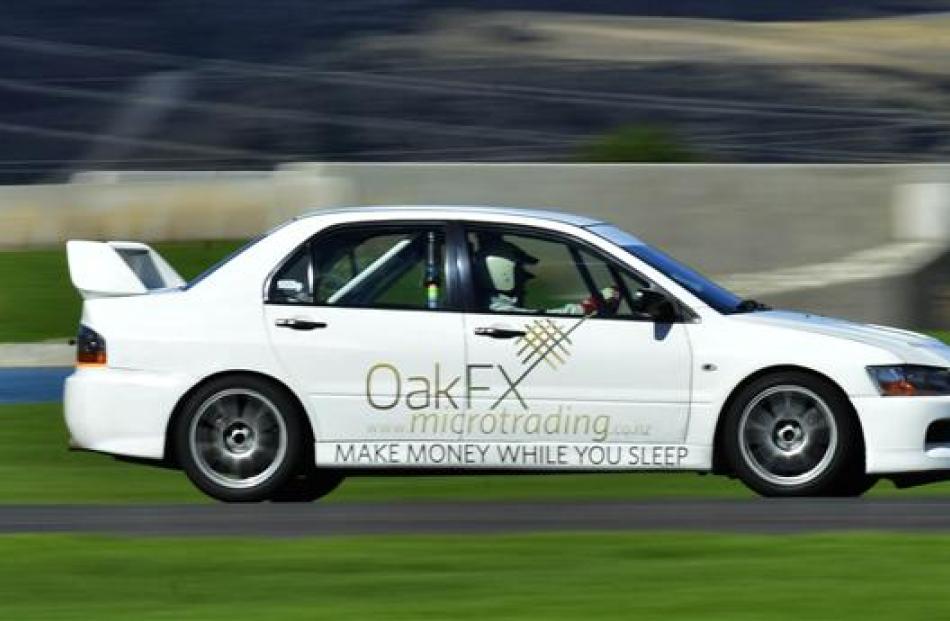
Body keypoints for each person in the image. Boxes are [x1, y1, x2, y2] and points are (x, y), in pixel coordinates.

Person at [473, 235, 620, 316]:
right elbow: (542, 318)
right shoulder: (497, 310)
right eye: (519, 272)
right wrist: (587, 307)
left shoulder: (491, 304)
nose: (525, 279)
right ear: (502, 274)